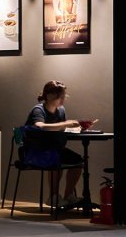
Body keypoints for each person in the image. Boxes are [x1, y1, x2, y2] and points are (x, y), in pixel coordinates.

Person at [23, 80, 98, 209]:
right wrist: (66, 124)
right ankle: (53, 197)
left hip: (54, 149)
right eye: (60, 96)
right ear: (49, 96)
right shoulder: (38, 110)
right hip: (35, 151)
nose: (63, 99)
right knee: (55, 159)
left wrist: (79, 127)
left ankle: (68, 196)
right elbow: (40, 126)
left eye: (63, 96)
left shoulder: (61, 110)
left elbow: (61, 129)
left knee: (78, 161)